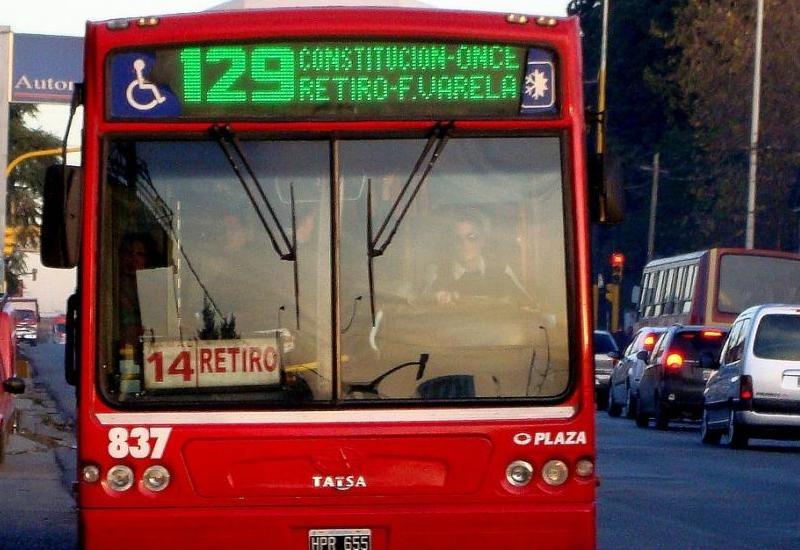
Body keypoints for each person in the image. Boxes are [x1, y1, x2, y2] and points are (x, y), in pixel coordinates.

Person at [424, 209, 532, 306]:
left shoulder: (501, 270)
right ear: (452, 242)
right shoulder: (438, 273)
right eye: (458, 239)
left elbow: (528, 304)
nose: (464, 244)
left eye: (471, 237)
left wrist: (507, 302)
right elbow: (419, 304)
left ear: (482, 240)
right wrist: (434, 298)